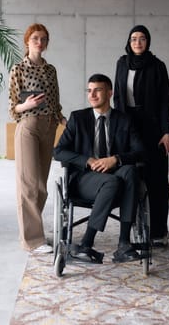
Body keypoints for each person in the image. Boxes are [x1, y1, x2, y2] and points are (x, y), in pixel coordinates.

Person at [53, 74, 145, 263]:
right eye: (89, 90)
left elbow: (140, 151)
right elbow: (58, 151)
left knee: (130, 171)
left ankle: (124, 244)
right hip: (85, 179)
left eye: (98, 90)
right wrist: (87, 160)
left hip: (116, 175)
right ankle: (87, 243)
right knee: (111, 181)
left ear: (110, 93)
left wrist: (116, 159)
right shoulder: (78, 118)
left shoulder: (124, 120)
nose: (92, 94)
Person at [9, 23, 66, 253]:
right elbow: (13, 107)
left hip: (49, 126)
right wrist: (27, 104)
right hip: (28, 127)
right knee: (29, 185)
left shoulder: (51, 70)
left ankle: (34, 232)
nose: (39, 43)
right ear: (27, 41)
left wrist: (61, 118)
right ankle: (32, 240)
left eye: (43, 39)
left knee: (41, 186)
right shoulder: (18, 69)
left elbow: (55, 100)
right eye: (35, 38)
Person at [113, 25, 169, 247]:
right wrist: (116, 126)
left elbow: (164, 102)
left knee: (157, 181)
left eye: (142, 39)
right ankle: (132, 228)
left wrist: (167, 132)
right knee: (130, 177)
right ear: (129, 42)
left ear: (148, 42)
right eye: (134, 38)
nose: (138, 42)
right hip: (127, 125)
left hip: (152, 127)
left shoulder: (158, 66)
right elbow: (118, 98)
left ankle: (159, 231)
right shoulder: (121, 63)